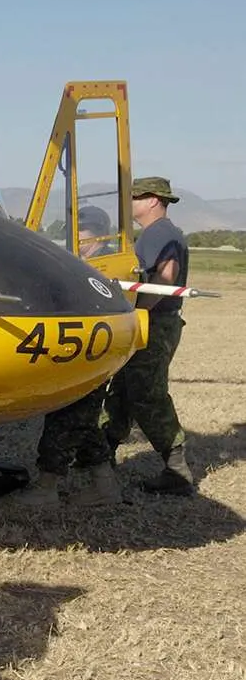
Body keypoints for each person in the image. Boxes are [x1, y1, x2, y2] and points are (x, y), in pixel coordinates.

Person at [12, 204, 122, 508]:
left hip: (91, 356)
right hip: (84, 353)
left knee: (64, 420)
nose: (78, 241)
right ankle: (105, 487)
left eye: (82, 234)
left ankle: (47, 489)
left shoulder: (108, 266)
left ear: (99, 235)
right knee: (83, 423)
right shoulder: (85, 263)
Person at [103, 176, 193, 495]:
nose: (129, 204)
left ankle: (177, 471)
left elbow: (165, 278)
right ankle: (101, 455)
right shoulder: (156, 234)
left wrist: (136, 312)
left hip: (154, 323)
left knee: (147, 394)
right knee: (123, 391)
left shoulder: (161, 234)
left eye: (134, 198)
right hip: (152, 320)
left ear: (153, 200)